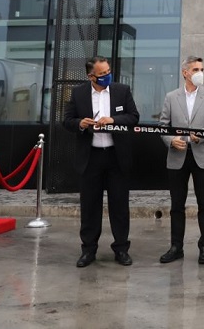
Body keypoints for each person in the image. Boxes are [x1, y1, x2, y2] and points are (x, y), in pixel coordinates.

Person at [63, 56, 139, 268]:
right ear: (91, 76)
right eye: (102, 74)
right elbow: (66, 120)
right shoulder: (79, 93)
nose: (107, 76)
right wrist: (80, 123)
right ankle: (88, 250)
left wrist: (113, 120)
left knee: (119, 206)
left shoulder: (122, 90)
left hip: (116, 156)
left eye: (108, 72)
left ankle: (121, 249)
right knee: (89, 207)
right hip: (91, 157)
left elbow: (134, 117)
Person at [158, 56, 204, 265]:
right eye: (195, 69)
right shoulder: (171, 97)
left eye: (202, 69)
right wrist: (171, 140)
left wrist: (202, 134)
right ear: (185, 72)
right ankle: (176, 247)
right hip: (178, 156)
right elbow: (163, 126)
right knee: (177, 205)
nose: (199, 72)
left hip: (203, 156)